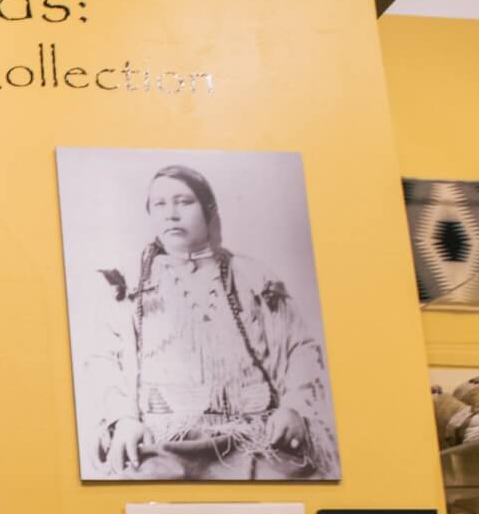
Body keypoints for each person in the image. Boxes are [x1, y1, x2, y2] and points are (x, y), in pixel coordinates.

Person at [84, 163, 339, 480]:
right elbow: (102, 359)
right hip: (161, 442)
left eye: (184, 202)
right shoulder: (130, 285)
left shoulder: (253, 277)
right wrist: (122, 419)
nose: (171, 214)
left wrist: (294, 407)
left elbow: (301, 347)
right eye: (159, 204)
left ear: (208, 210)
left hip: (255, 439)